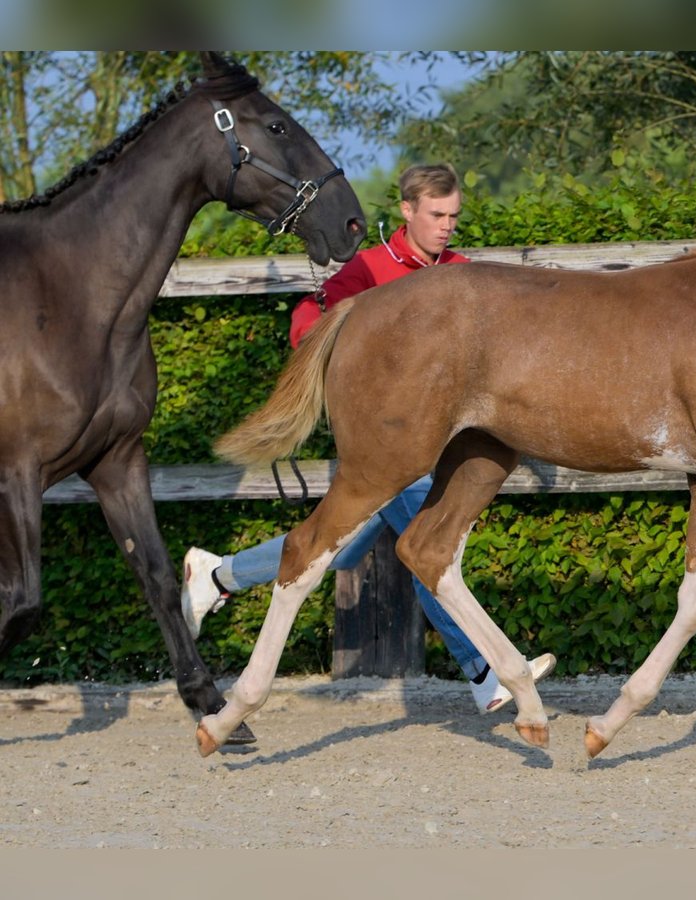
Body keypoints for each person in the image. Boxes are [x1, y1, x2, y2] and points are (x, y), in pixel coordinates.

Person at [182, 163, 555, 713]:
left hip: (443, 443)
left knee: (340, 548)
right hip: (388, 439)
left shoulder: (461, 274)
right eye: (436, 215)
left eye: (453, 215)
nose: (447, 226)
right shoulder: (370, 269)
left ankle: (218, 574)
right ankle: (484, 669)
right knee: (430, 546)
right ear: (407, 211)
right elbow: (307, 323)